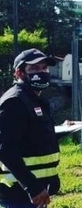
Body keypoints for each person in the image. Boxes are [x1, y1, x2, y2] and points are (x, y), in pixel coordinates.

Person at [0, 49, 61, 208]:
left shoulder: (35, 100)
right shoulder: (14, 102)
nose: (41, 72)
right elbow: (6, 150)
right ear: (19, 73)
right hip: (19, 195)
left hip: (36, 191)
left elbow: (36, 138)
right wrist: (33, 188)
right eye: (34, 68)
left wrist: (51, 180)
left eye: (44, 68)